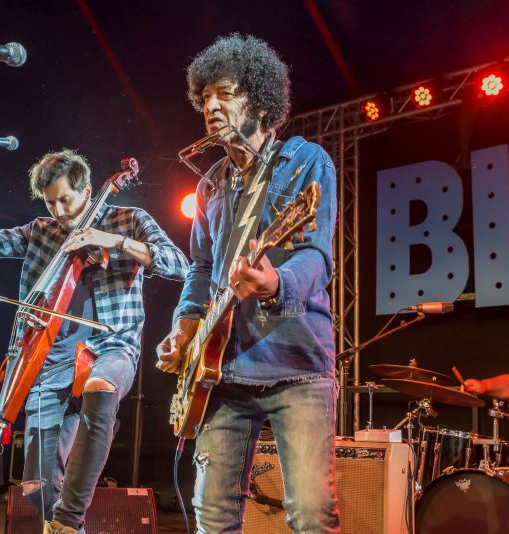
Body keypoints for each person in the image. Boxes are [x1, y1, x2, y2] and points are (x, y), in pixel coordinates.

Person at [0, 149, 188, 534]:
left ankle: (70, 521)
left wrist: (114, 241)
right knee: (36, 487)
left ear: (87, 189)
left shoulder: (129, 219)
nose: (58, 210)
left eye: (65, 199)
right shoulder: (42, 230)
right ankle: (67, 527)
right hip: (46, 359)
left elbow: (177, 264)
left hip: (111, 346)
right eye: (50, 202)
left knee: (101, 388)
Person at [157, 34, 340, 533]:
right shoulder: (209, 183)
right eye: (205, 97)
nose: (211, 106)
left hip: (296, 365)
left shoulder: (305, 161)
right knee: (213, 517)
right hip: (220, 372)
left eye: (226, 93)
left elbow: (317, 257)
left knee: (309, 515)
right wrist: (184, 328)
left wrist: (275, 281)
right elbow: (199, 268)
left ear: (259, 100)